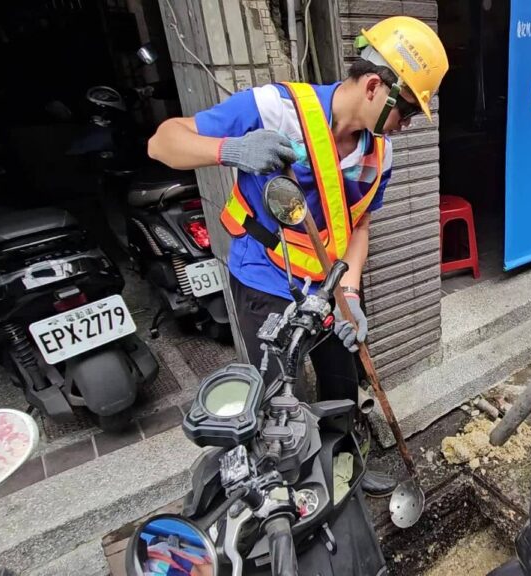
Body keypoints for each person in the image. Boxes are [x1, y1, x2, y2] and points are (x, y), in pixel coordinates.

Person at [147, 16, 449, 497]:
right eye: (407, 111)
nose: (406, 125)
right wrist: (231, 149)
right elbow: (162, 143)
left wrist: (348, 293)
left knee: (340, 384)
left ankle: (345, 468)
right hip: (265, 278)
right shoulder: (274, 110)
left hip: (329, 287)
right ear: (375, 86)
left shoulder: (379, 155)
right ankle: (288, 493)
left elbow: (361, 227)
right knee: (276, 396)